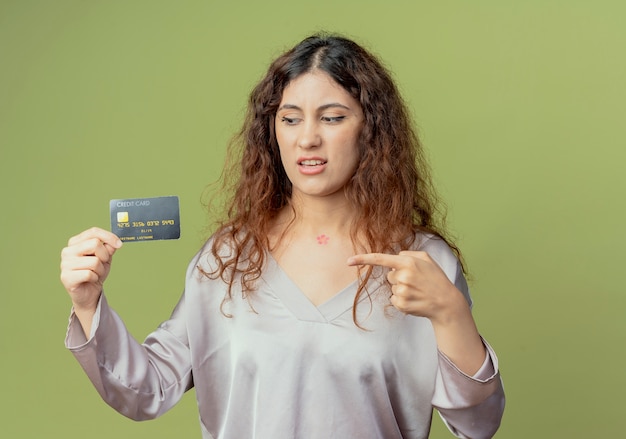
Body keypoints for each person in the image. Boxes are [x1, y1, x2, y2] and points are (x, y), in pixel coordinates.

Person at [60, 33, 505, 438]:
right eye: (290, 119)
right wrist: (87, 303)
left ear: (371, 129)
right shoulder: (228, 259)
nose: (307, 138)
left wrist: (451, 314)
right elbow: (148, 389)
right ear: (272, 132)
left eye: (332, 118)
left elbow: (478, 426)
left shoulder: (422, 263)